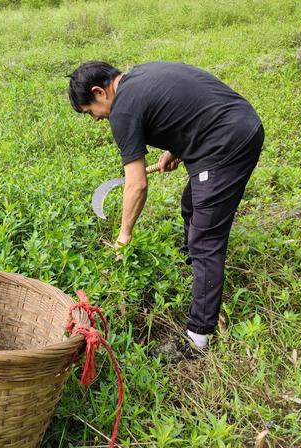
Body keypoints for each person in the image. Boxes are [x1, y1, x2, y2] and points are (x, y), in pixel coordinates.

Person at [68, 61, 264, 359]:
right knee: (192, 204)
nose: (95, 119)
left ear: (100, 92)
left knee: (206, 239)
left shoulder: (122, 111)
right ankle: (195, 266)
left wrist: (124, 234)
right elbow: (187, 108)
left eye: (90, 112)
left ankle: (196, 338)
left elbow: (137, 185)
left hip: (226, 143)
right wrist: (175, 149)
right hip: (241, 123)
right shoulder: (143, 75)